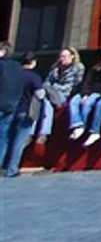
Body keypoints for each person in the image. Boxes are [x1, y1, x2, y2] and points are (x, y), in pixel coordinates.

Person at [1, 41, 46, 177]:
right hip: (26, 111)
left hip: (12, 107)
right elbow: (40, 94)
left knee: (4, 138)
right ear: (33, 63)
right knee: (19, 141)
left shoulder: (15, 72)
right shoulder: (33, 77)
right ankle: (12, 169)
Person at [32, 46, 85, 149]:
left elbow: (73, 85)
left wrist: (51, 87)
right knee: (44, 102)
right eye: (61, 56)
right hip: (49, 94)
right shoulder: (55, 67)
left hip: (64, 94)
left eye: (65, 56)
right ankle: (41, 133)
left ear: (72, 56)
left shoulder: (78, 67)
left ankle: (35, 131)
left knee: (42, 91)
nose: (62, 59)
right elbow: (47, 81)